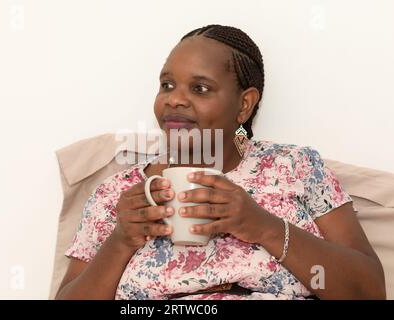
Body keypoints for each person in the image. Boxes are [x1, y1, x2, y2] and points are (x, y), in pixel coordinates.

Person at [55, 24, 385, 300]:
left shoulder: (296, 167)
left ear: (244, 105)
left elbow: (368, 292)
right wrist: (122, 240)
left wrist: (263, 226)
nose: (175, 98)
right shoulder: (120, 193)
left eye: (199, 88)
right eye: (167, 85)